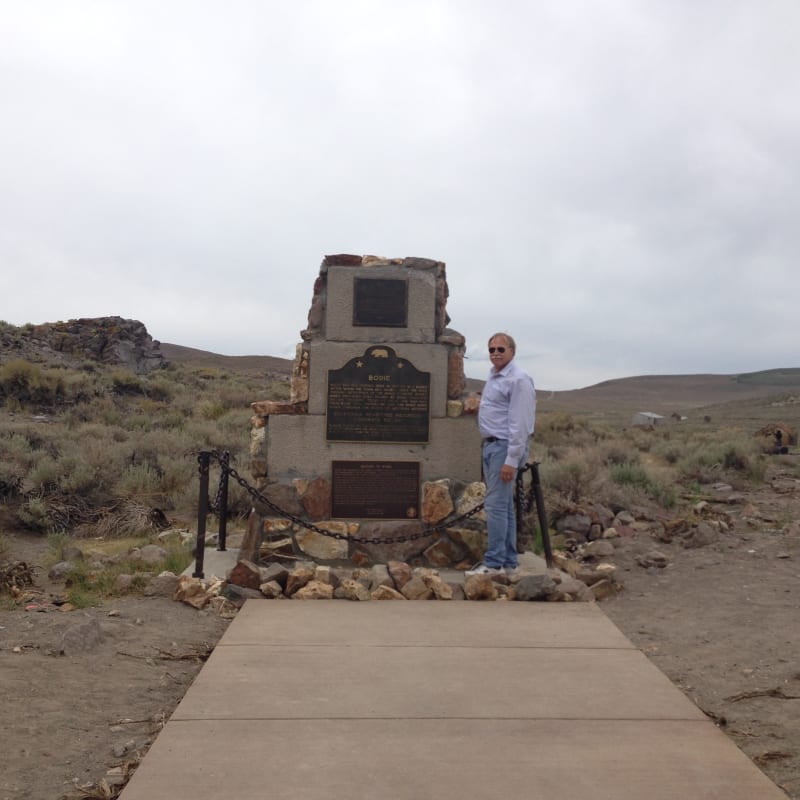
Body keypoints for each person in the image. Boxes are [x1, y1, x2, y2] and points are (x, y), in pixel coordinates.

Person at [467, 332, 536, 576]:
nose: (495, 353)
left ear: (512, 351)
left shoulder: (518, 380)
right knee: (504, 506)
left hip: (505, 447)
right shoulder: (495, 376)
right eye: (491, 349)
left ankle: (494, 564)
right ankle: (508, 561)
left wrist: (511, 460)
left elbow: (520, 424)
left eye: (500, 349)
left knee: (495, 505)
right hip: (492, 445)